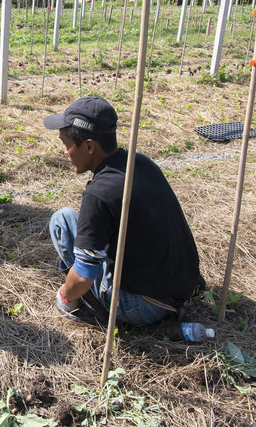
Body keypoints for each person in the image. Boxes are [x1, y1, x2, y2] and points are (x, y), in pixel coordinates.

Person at [44, 96, 201, 326]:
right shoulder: (141, 163)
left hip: (143, 306)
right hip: (180, 286)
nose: (65, 152)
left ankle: (89, 306)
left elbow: (84, 275)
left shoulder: (99, 193)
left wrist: (64, 296)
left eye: (66, 143)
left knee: (62, 221)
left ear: (89, 146)